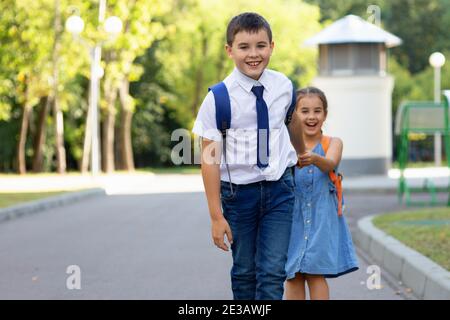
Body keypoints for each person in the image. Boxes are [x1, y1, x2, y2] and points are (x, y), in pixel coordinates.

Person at [192, 12, 305, 300]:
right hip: (238, 195)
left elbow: (290, 125)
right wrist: (216, 216)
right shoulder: (218, 98)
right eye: (244, 47)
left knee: (273, 271)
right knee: (245, 271)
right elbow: (209, 159)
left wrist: (302, 156)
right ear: (230, 50)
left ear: (272, 46)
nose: (253, 54)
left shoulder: (284, 86)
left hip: (280, 190)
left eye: (261, 45)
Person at [284, 87, 359, 300]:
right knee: (293, 275)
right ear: (294, 115)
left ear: (325, 114)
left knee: (315, 274)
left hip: (321, 219)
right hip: (292, 220)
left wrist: (313, 158)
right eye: (304, 111)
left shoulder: (332, 143)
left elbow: (330, 163)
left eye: (317, 111)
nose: (311, 116)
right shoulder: (286, 145)